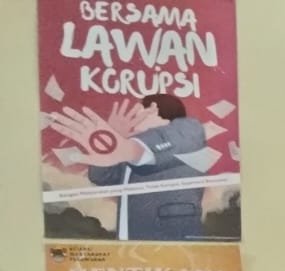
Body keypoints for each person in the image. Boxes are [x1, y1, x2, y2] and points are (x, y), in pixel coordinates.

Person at [49, 94, 208, 241]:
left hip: (171, 237)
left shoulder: (189, 130)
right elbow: (102, 178)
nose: (134, 120)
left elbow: (160, 144)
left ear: (154, 110)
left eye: (139, 113)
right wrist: (112, 139)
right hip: (130, 237)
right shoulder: (131, 147)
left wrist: (128, 148)